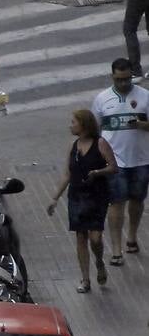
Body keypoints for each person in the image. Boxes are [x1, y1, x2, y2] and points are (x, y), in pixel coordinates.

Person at [48, 108, 117, 292]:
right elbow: (67, 174)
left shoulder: (100, 143)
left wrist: (97, 172)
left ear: (84, 125)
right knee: (80, 236)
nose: (70, 126)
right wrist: (55, 198)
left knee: (95, 238)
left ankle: (99, 261)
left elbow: (113, 167)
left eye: (73, 122)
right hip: (77, 195)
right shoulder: (73, 146)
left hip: (96, 195)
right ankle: (85, 279)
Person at [92, 58, 149, 267]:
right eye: (119, 80)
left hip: (141, 159)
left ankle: (132, 236)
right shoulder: (102, 99)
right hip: (114, 161)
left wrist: (142, 124)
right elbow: (95, 130)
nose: (123, 84)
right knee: (116, 203)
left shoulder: (144, 97)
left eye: (126, 79)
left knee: (137, 200)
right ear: (112, 77)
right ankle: (116, 249)